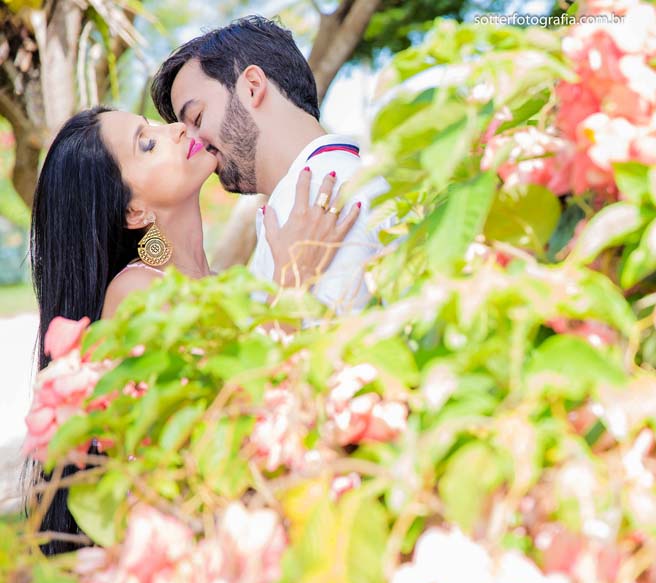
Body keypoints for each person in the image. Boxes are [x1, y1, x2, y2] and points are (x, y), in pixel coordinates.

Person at [26, 105, 359, 554]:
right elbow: (216, 436)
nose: (179, 129)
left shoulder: (220, 281)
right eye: (147, 143)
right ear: (134, 210)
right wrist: (292, 282)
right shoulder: (136, 294)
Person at [151, 15, 391, 314]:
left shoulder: (312, 196)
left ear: (252, 85)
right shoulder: (340, 179)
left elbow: (319, 350)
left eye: (197, 119)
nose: (195, 144)